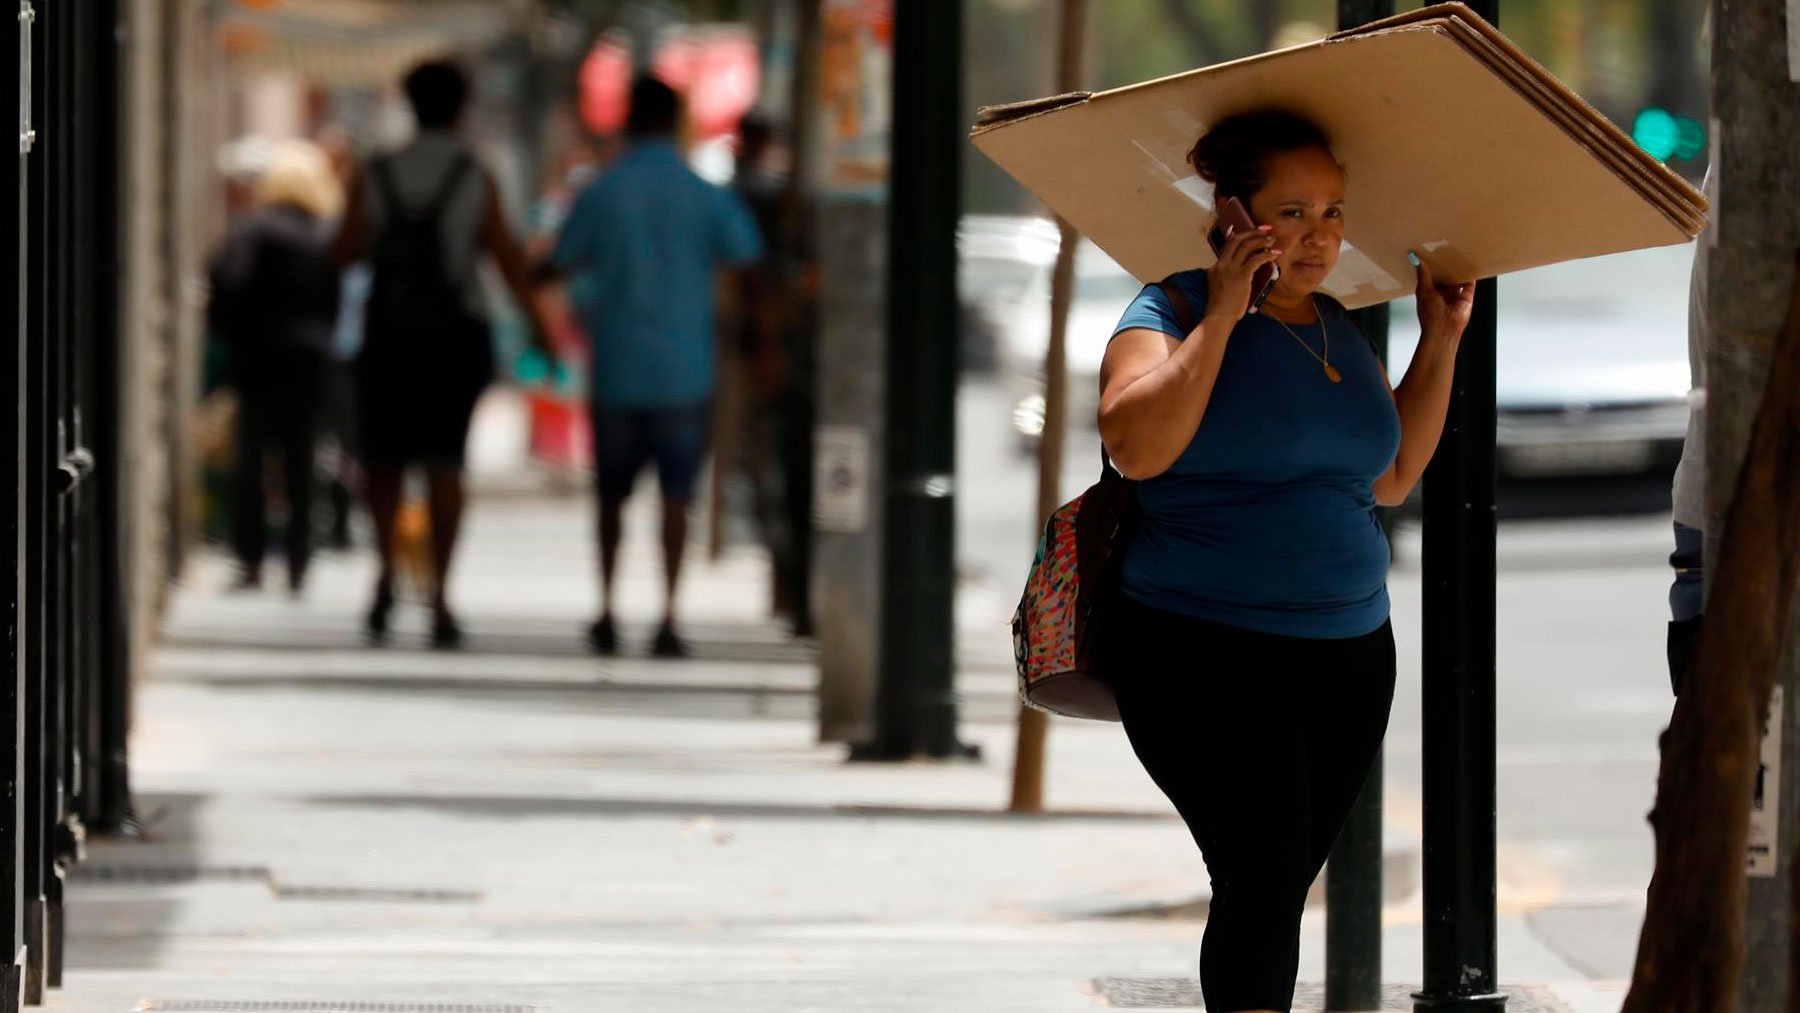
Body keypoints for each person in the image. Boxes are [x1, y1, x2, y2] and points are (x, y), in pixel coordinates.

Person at [1097, 111, 1472, 1013]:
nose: (1319, 235)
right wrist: (1226, 316)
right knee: (1263, 877)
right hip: (1201, 647)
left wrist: (1443, 338)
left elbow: (1389, 478)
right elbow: (1135, 447)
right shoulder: (1170, 309)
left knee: (1269, 885)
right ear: (1232, 212)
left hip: (1348, 650)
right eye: (1292, 210)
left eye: (1334, 212)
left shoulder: (1341, 326)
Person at [334, 61, 553, 648]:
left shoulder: (376, 172)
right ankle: (439, 597)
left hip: (387, 335)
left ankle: (384, 572)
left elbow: (345, 249)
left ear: (408, 103)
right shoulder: (474, 176)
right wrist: (542, 332)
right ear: (461, 107)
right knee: (445, 464)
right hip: (457, 332)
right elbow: (507, 260)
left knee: (383, 462)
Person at [548, 76, 765, 658]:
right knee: (676, 497)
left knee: (610, 496)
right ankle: (669, 615)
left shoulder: (601, 192)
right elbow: (747, 259)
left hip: (617, 367)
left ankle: (608, 609)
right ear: (676, 122)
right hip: (684, 371)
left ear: (627, 119)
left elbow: (557, 261)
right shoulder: (703, 192)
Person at [207, 141, 344, 594]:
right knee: (303, 460)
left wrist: (229, 331)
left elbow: (230, 283)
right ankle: (299, 561)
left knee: (253, 457)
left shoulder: (255, 229)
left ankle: (250, 558)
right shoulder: (327, 235)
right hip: (311, 360)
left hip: (260, 358)